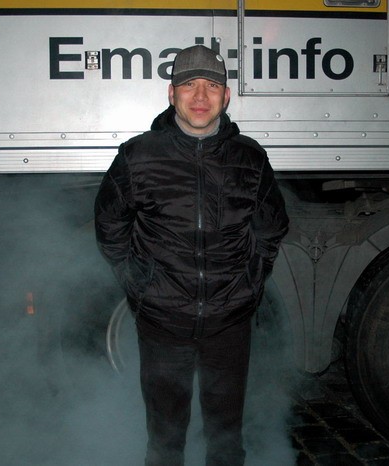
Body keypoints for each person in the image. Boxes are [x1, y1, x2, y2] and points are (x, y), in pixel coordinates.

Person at [94, 44, 289, 466]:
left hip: (229, 323)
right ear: (172, 94)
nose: (200, 96)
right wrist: (140, 284)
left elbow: (271, 226)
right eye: (189, 85)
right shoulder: (138, 155)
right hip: (163, 322)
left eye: (212, 86)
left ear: (226, 96)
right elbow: (110, 225)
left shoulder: (250, 157)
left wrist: (249, 285)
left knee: (226, 440)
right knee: (164, 442)